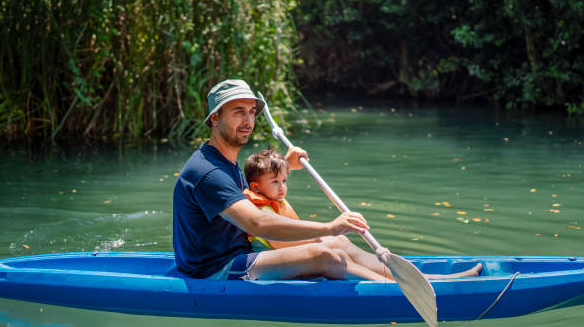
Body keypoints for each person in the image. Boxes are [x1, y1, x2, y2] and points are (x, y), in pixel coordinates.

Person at [173, 79, 480, 282]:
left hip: (242, 255)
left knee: (339, 242)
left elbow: (253, 193)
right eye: (238, 112)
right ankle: (398, 292)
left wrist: (287, 168)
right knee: (325, 253)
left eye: (252, 112)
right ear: (215, 119)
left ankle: (422, 281)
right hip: (215, 271)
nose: (248, 121)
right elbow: (258, 225)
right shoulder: (208, 172)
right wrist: (329, 225)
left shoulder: (223, 159)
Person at [242, 148, 482, 280]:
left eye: (284, 180)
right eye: (275, 182)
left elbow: (272, 173)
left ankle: (421, 278)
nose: (282, 187)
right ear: (256, 188)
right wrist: (319, 237)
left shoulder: (270, 195)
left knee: (341, 240)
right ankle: (391, 287)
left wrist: (286, 160)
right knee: (331, 248)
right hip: (273, 260)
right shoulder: (259, 207)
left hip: (291, 251)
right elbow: (278, 242)